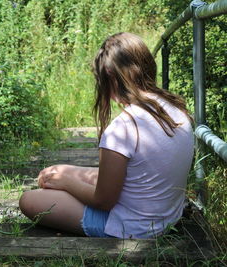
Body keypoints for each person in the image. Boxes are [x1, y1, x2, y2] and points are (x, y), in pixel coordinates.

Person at [19, 32, 194, 239]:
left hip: (132, 228)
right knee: (57, 171)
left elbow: (103, 201)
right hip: (166, 218)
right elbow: (139, 173)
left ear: (110, 75)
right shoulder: (177, 111)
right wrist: (66, 173)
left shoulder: (122, 128)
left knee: (29, 200)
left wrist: (65, 183)